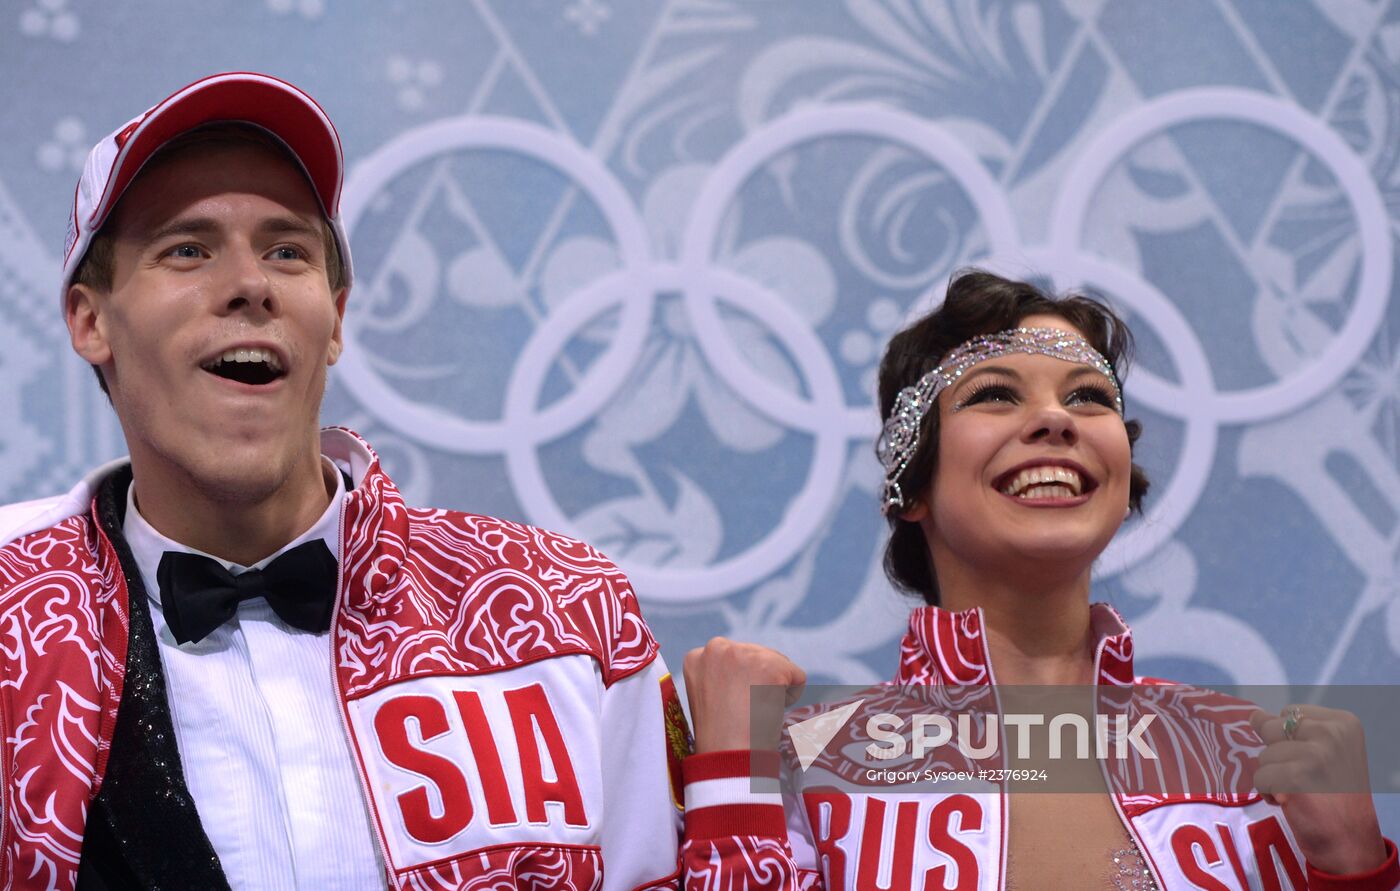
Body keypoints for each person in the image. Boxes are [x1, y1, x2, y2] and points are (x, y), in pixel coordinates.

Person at [0, 71, 792, 890]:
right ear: (90, 320)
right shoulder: (12, 623)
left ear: (336, 317)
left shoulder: (569, 612)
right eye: (187, 249)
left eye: (286, 250)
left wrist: (746, 779)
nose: (250, 284)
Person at [683, 270, 1400, 889]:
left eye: (1091, 397)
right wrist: (730, 779)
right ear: (913, 485)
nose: (1057, 418)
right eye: (996, 394)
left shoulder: (1254, 761)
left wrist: (1355, 865)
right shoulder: (803, 764)